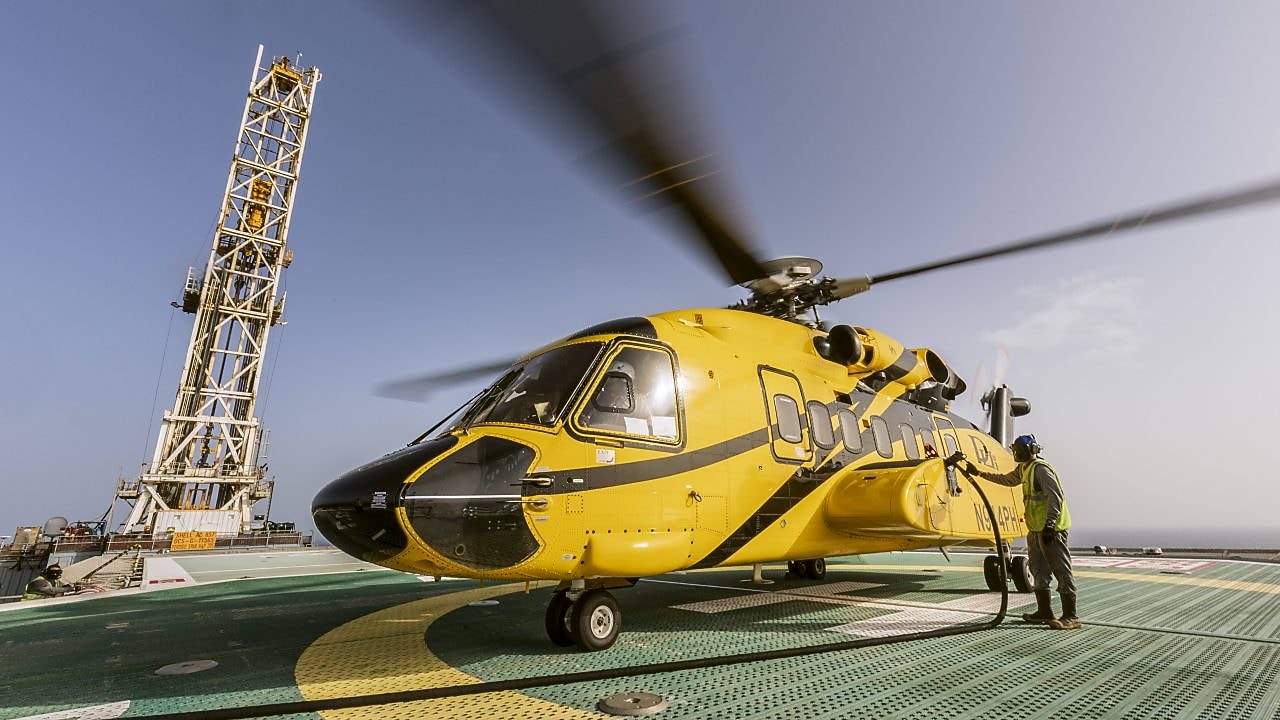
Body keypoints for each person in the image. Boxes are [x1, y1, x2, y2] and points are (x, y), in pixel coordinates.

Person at [965, 434, 1081, 630]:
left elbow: (1056, 498)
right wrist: (979, 473)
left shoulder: (1041, 470)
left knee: (1061, 570)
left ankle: (1071, 616)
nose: (1016, 453)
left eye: (1019, 450)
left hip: (1051, 531)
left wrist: (1050, 526)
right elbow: (1008, 480)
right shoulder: (1024, 469)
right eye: (1015, 449)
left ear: (1031, 450)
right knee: (1038, 570)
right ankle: (1045, 611)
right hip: (1036, 529)